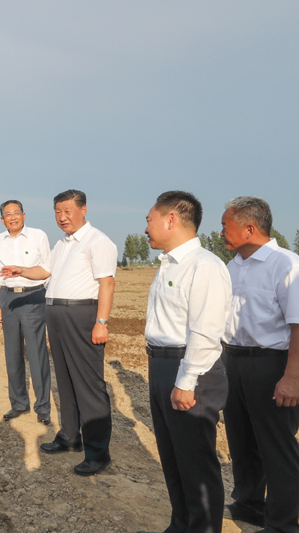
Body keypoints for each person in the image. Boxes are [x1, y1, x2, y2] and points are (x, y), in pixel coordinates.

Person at [4, 189, 116, 475]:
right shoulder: (63, 244)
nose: (62, 217)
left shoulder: (98, 241)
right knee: (65, 380)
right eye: (57, 212)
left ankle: (98, 452)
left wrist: (101, 322)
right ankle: (69, 437)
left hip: (81, 314)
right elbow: (45, 272)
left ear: (83, 209)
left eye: (67, 211)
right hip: (55, 313)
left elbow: (107, 283)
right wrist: (21, 270)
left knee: (88, 384)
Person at [140, 191, 231, 533]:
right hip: (162, 365)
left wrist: (186, 380)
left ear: (171, 220)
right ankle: (181, 525)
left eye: (149, 219)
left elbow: (205, 332)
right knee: (174, 459)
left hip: (190, 369)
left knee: (196, 463)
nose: (146, 227)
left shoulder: (204, 266)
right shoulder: (168, 264)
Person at [219, 196, 299, 533]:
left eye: (226, 226)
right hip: (232, 361)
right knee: (241, 438)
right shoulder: (232, 265)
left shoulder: (286, 264)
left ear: (250, 228)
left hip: (271, 364)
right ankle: (249, 504)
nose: (221, 232)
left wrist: (292, 377)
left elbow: (298, 324)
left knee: (276, 445)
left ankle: (283, 522)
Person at [0, 199, 52, 424]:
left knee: (37, 354)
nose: (13, 217)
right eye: (8, 214)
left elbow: (48, 268)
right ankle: (18, 403)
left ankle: (43, 407)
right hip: (8, 298)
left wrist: (49, 298)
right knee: (12, 354)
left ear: (24, 215)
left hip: (33, 296)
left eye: (17, 212)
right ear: (2, 219)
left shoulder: (38, 236)